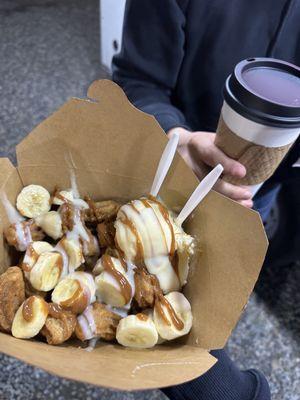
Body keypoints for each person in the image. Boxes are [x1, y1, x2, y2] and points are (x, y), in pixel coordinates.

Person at [112, 1, 300, 399]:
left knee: (226, 282)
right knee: (173, 301)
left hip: (266, 190)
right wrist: (172, 134)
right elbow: (136, 78)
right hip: (173, 182)